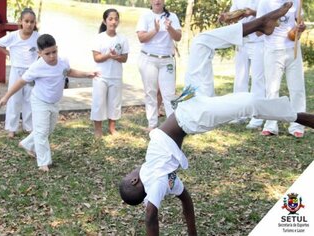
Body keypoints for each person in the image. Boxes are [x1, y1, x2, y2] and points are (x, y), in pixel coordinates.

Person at [119, 3, 314, 235]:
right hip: (192, 117)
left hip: (187, 103)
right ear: (134, 182)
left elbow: (186, 200)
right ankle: (299, 117)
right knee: (248, 103)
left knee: (201, 43)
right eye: (130, 174)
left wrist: (193, 233)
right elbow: (151, 215)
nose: (132, 170)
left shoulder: (165, 181)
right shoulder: (155, 180)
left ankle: (260, 24)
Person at [0, 34, 99, 172]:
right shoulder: (36, 67)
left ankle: (27, 143)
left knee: (48, 129)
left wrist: (86, 74)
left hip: (54, 102)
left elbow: (69, 71)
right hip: (40, 101)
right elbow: (21, 81)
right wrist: (6, 96)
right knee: (41, 132)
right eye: (47, 54)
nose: (52, 56)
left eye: (54, 52)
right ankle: (43, 162)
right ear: (39, 53)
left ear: (57, 49)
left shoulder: (63, 61)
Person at [257, 0, 307, 138]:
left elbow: (299, 21)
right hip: (273, 50)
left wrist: (301, 27)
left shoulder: (296, 1)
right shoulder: (265, 3)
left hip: (293, 48)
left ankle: (297, 126)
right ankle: (271, 125)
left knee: (297, 89)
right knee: (272, 89)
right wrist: (274, 20)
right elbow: (259, 31)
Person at [136, 0, 182, 131]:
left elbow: (178, 37)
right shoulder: (145, 16)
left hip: (167, 60)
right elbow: (141, 38)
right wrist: (155, 30)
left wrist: (170, 28)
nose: (157, 1)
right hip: (148, 59)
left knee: (169, 94)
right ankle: (152, 125)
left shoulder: (172, 16)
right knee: (150, 92)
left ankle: (172, 127)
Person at [220, 0, 266, 129]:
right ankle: (239, 114)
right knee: (240, 79)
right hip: (241, 40)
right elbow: (232, 16)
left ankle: (257, 117)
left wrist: (253, 12)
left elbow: (268, 16)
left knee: (258, 80)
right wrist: (225, 17)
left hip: (259, 42)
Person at [0, 8, 39, 138]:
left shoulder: (37, 36)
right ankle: (11, 128)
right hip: (16, 70)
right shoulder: (13, 36)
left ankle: (29, 126)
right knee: (14, 99)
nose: (29, 24)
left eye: (32, 22)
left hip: (31, 72)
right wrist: (8, 53)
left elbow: (45, 48)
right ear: (20, 21)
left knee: (29, 99)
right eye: (26, 21)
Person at [91, 8, 129, 138]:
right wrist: (108, 55)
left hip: (116, 76)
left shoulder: (122, 39)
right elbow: (96, 58)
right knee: (99, 102)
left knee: (114, 103)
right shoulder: (99, 38)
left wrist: (115, 57)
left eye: (116, 19)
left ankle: (112, 128)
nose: (113, 22)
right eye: (110, 19)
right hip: (100, 76)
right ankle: (98, 130)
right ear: (105, 21)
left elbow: (124, 58)